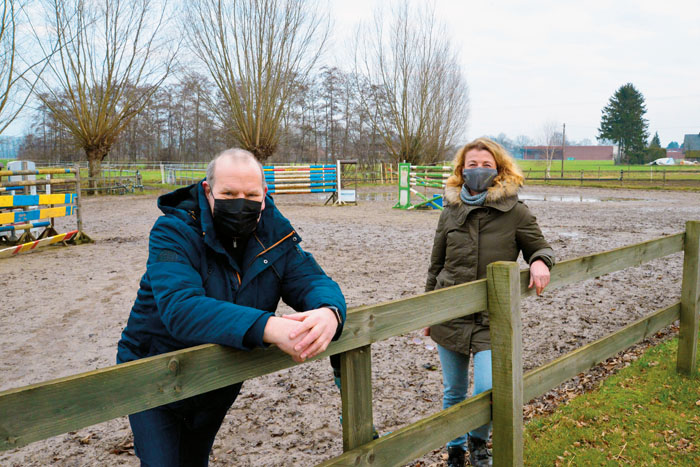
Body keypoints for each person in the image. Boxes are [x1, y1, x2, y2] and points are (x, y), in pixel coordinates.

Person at [117, 148, 346, 466]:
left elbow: (312, 281)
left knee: (195, 457)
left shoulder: (275, 238)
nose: (241, 203)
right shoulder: (173, 233)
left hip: (218, 375)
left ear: (265, 195)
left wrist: (328, 311)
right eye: (229, 193)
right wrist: (269, 326)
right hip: (153, 372)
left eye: (251, 194)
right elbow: (180, 308)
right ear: (208, 191)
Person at [424, 138, 554, 467]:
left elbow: (541, 246)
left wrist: (539, 261)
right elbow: (435, 265)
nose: (478, 170)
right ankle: (455, 449)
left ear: (498, 168)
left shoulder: (516, 212)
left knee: (487, 388)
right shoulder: (449, 210)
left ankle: (478, 441)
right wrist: (427, 311)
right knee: (454, 390)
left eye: (485, 164)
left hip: (491, 318)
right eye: (472, 165)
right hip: (449, 313)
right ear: (461, 170)